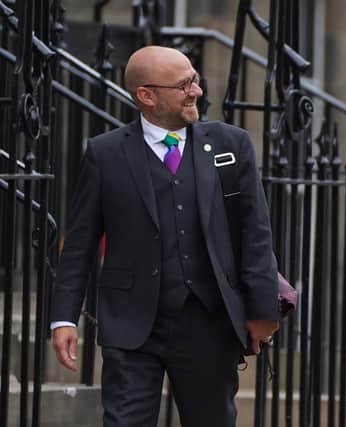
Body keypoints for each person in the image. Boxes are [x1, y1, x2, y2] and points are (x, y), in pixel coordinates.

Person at [50, 45, 279, 427]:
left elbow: (255, 232)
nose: (197, 91)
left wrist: (262, 309)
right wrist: (63, 319)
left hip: (209, 322)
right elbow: (79, 244)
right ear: (147, 95)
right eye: (184, 84)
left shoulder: (230, 145)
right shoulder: (105, 154)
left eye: (195, 79)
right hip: (132, 324)